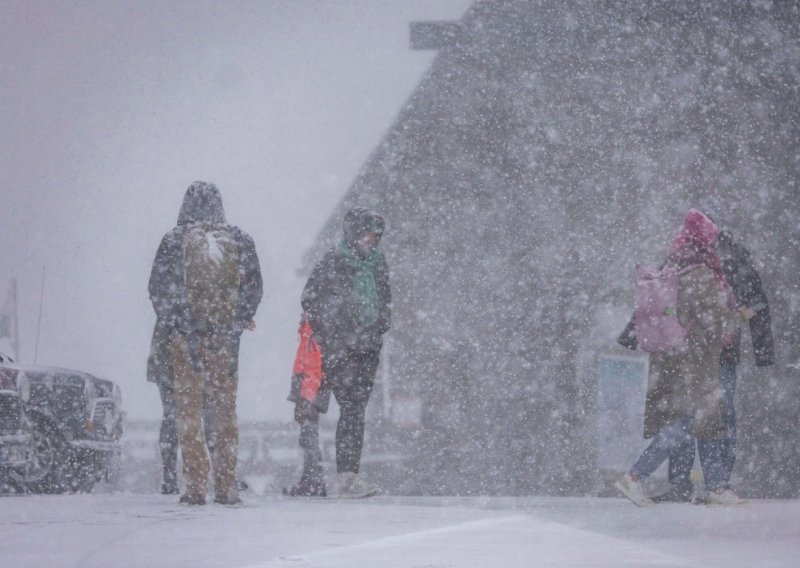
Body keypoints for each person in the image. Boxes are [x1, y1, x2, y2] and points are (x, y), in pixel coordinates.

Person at [615, 208, 742, 506]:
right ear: (705, 241)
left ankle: (715, 487)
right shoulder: (699, 273)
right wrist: (737, 315)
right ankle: (634, 477)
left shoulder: (675, 265)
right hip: (697, 360)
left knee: (704, 418)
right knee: (686, 422)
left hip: (679, 358)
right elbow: (713, 321)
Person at [148, 181, 262, 505]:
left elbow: (157, 288)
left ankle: (196, 485)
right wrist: (236, 324)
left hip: (186, 340)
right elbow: (255, 287)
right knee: (225, 412)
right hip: (225, 341)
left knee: (189, 413)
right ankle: (226, 484)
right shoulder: (239, 239)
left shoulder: (174, 240)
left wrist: (181, 325)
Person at [653, 205, 774, 503]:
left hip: (687, 352)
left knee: (693, 414)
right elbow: (757, 300)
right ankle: (717, 485)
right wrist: (762, 350)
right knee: (717, 415)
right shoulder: (725, 255)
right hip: (718, 350)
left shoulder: (680, 255)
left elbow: (658, 296)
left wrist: (639, 335)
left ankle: (688, 484)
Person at [300, 207, 391, 498]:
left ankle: (348, 476)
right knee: (322, 408)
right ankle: (319, 475)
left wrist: (377, 330)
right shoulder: (333, 262)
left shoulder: (378, 264)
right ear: (354, 234)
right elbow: (310, 299)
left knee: (354, 412)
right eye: (367, 234)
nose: (371, 241)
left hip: (366, 350)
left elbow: (385, 301)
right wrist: (335, 332)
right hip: (339, 351)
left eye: (376, 236)